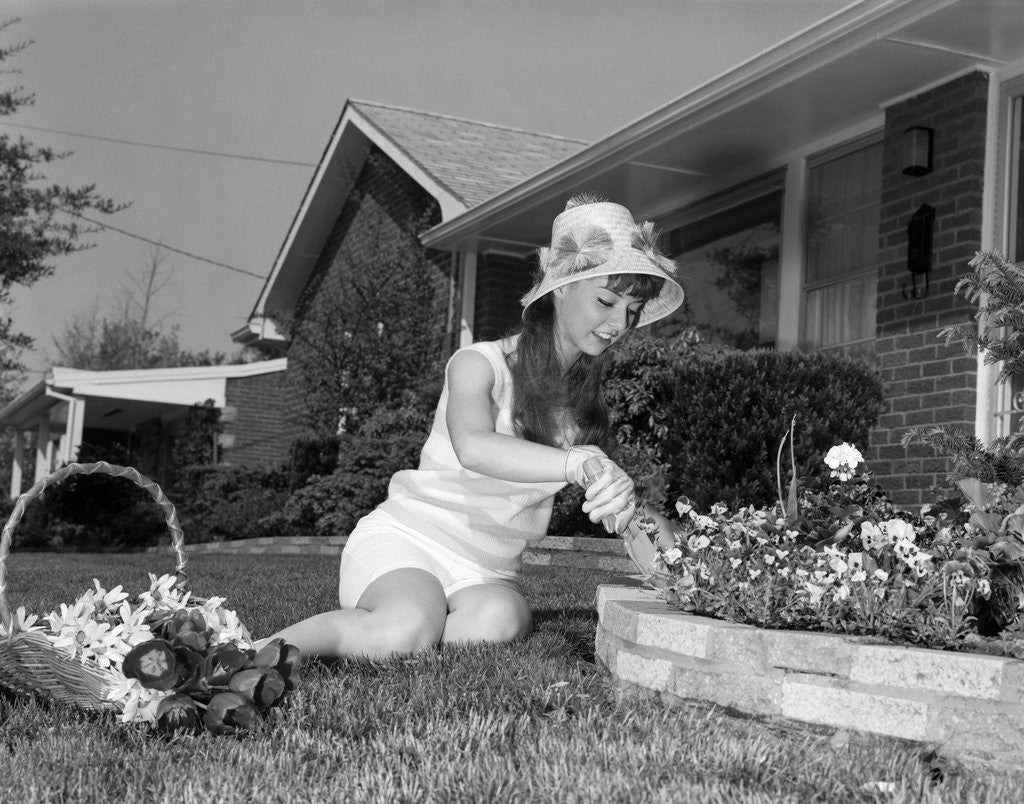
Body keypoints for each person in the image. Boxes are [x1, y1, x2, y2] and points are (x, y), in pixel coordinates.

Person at [262, 195, 685, 660]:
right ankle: (245, 654)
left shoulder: (584, 415)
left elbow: (633, 522)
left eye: (632, 308)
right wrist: (574, 462)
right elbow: (475, 446)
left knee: (503, 620)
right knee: (405, 629)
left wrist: (685, 572)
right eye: (606, 300)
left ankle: (421, 627)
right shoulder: (478, 363)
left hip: (484, 575)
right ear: (561, 288)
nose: (619, 323)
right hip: (410, 541)